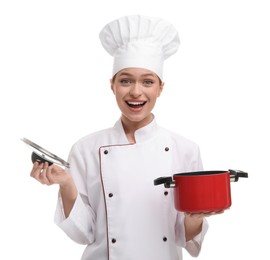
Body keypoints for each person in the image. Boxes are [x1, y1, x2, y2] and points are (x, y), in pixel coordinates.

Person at [30, 15, 224, 260]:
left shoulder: (184, 149)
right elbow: (84, 234)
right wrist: (67, 184)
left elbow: (185, 238)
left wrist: (194, 217)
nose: (136, 91)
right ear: (112, 85)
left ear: (160, 87)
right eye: (125, 81)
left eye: (147, 81)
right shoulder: (86, 149)